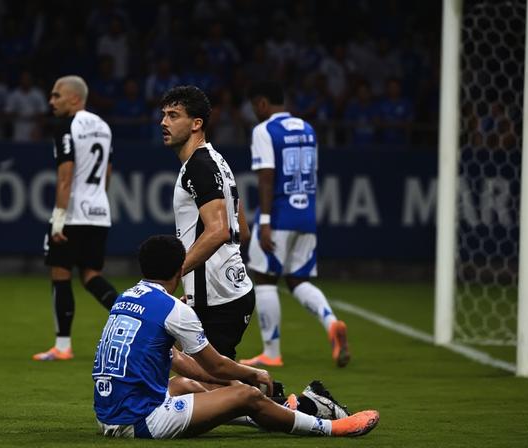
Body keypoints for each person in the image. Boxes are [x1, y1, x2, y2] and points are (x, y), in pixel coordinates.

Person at [92, 235, 380, 439]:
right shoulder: (174, 309)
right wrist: (252, 375)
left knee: (185, 384)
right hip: (141, 421)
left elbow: (177, 360)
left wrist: (232, 383)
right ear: (181, 269)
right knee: (244, 394)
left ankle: (268, 411)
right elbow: (215, 365)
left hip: (108, 415)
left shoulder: (125, 298)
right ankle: (329, 428)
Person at [239, 81, 350, 368]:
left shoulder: (264, 131)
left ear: (262, 103)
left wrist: (264, 221)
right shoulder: (307, 129)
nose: (255, 113)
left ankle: (271, 352)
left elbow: (266, 176)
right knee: (297, 279)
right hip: (306, 214)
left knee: (263, 277)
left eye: (255, 107)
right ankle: (331, 323)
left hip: (278, 214)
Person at [159, 85, 253, 361]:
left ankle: (300, 404)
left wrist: (176, 275)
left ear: (196, 124)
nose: (163, 122)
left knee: (201, 391)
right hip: (224, 293)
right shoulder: (218, 161)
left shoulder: (198, 167)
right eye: (164, 115)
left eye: (174, 115)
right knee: (208, 383)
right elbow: (241, 230)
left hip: (219, 301)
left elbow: (219, 230)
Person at [33, 75, 119, 361]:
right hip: (99, 211)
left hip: (72, 214)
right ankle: (138, 325)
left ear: (73, 98)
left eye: (56, 95)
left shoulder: (66, 127)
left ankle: (62, 346)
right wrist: (97, 201)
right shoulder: (104, 127)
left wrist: (58, 220)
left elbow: (65, 178)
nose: (51, 101)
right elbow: (106, 172)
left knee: (60, 273)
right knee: (93, 276)